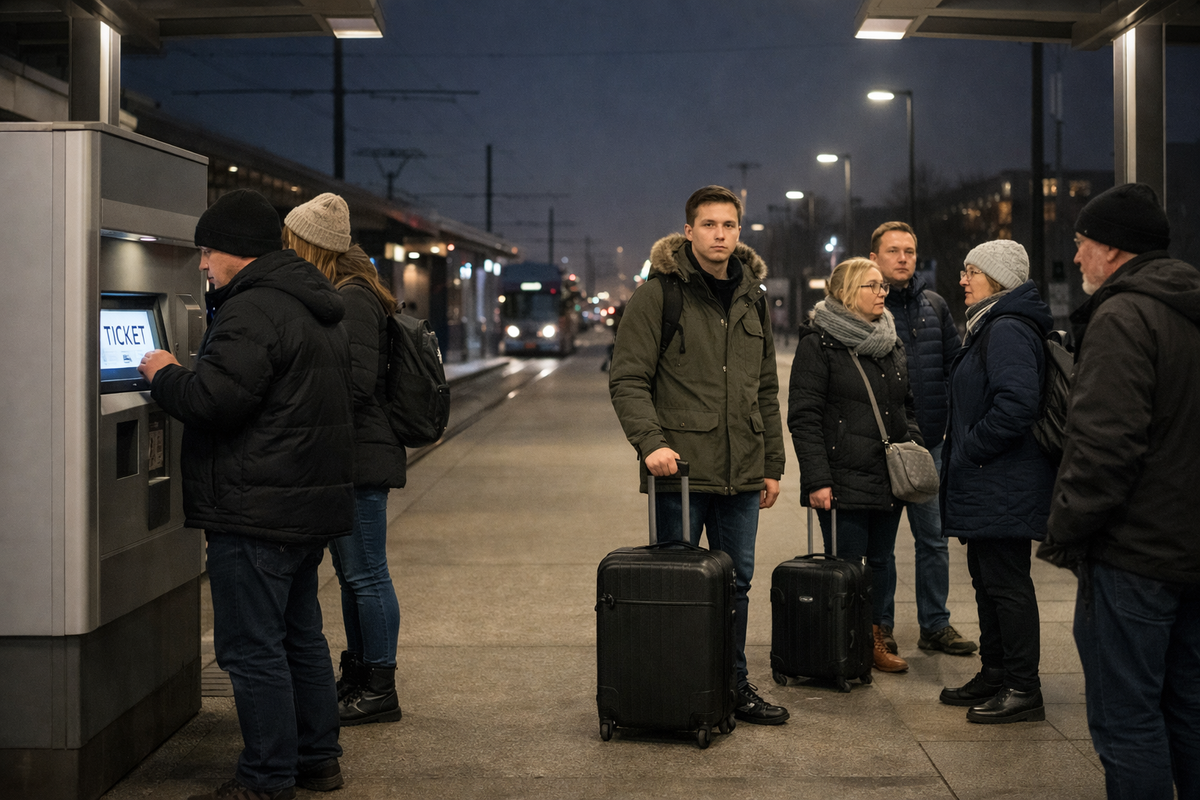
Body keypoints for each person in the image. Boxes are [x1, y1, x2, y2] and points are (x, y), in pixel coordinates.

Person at [138, 188, 354, 800]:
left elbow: (215, 402)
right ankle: (317, 760)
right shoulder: (315, 304)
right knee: (300, 637)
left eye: (208, 251)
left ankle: (264, 780)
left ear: (236, 251)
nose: (203, 265)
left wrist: (165, 375)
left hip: (253, 507)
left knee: (251, 649)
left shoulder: (253, 310)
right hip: (302, 505)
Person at [1040, 183, 1200, 798]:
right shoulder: (1186, 310)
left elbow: (1104, 448)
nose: (1076, 258)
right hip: (1187, 549)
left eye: (1082, 245)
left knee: (1126, 720)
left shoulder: (1123, 316)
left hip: (1134, 555)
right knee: (1186, 710)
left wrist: (1066, 529)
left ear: (1113, 249)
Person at [609, 185, 789, 725]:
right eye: (708, 225)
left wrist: (773, 465)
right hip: (680, 473)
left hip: (741, 474)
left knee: (736, 586)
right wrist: (651, 444)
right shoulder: (658, 295)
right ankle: (679, 688)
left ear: (739, 231)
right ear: (688, 231)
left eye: (729, 225)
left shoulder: (752, 296)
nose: (720, 235)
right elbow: (628, 379)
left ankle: (731, 686)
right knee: (678, 589)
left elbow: (765, 389)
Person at [282, 193, 405, 727]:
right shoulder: (345, 290)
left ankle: (380, 686)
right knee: (356, 574)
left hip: (359, 454)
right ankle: (358, 676)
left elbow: (353, 382)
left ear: (312, 245)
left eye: (292, 241)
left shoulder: (352, 297)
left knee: (367, 574)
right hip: (349, 453)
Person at [937, 239, 1055, 724]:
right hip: (992, 481)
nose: (962, 279)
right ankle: (996, 673)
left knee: (1006, 584)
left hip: (1001, 479)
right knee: (988, 582)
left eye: (972, 272)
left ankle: (1023, 687)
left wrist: (971, 449)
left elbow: (1016, 405)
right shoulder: (990, 326)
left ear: (999, 279)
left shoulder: (1005, 329)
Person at [788, 256, 921, 674]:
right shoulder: (819, 343)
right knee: (845, 566)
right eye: (873, 286)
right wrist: (817, 479)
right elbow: (804, 416)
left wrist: (911, 442)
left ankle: (873, 638)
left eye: (883, 286)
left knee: (881, 562)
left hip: (887, 476)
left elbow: (905, 405)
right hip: (842, 477)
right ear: (847, 293)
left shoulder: (891, 342)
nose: (883, 293)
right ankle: (841, 642)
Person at [868, 221, 975, 658]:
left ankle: (935, 624)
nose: (902, 258)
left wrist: (952, 422)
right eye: (893, 251)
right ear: (873, 258)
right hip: (881, 447)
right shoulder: (866, 305)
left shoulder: (934, 305)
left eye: (909, 251)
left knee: (933, 540)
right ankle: (882, 627)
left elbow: (956, 365)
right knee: (882, 548)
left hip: (929, 444)